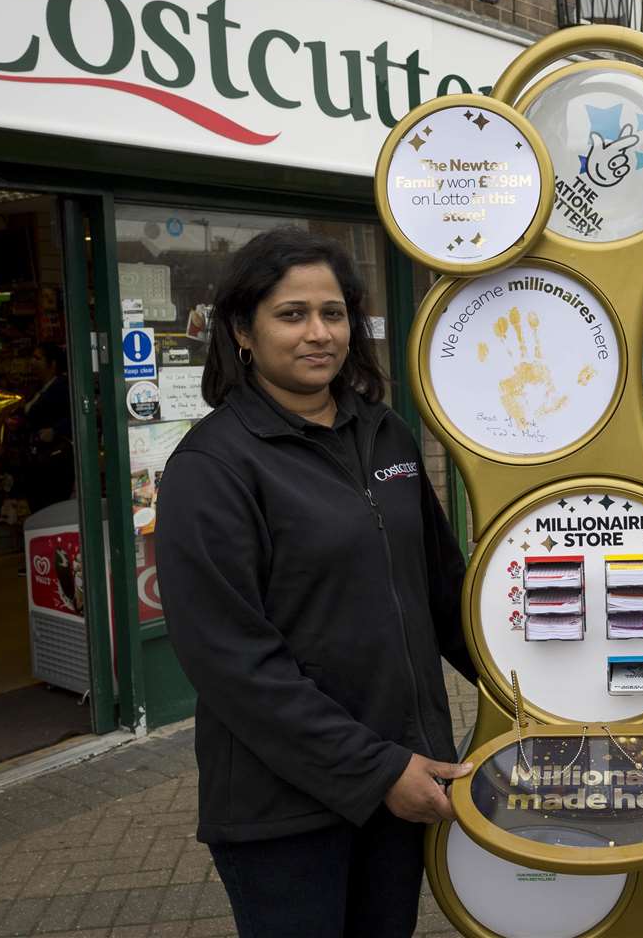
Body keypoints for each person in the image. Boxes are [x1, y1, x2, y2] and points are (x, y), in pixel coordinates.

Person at [155, 228, 476, 938]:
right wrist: (376, 770)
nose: (318, 333)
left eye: (332, 314)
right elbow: (232, 661)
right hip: (285, 810)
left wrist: (530, 689)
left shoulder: (385, 433)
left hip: (404, 777)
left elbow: (443, 591)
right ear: (243, 330)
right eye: (291, 314)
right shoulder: (213, 467)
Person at [23, 341, 74, 513]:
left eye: (38, 358)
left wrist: (55, 431)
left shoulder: (62, 387)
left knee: (50, 507)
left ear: (52, 364)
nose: (32, 362)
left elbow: (75, 416)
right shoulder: (38, 388)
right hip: (39, 461)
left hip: (54, 463)